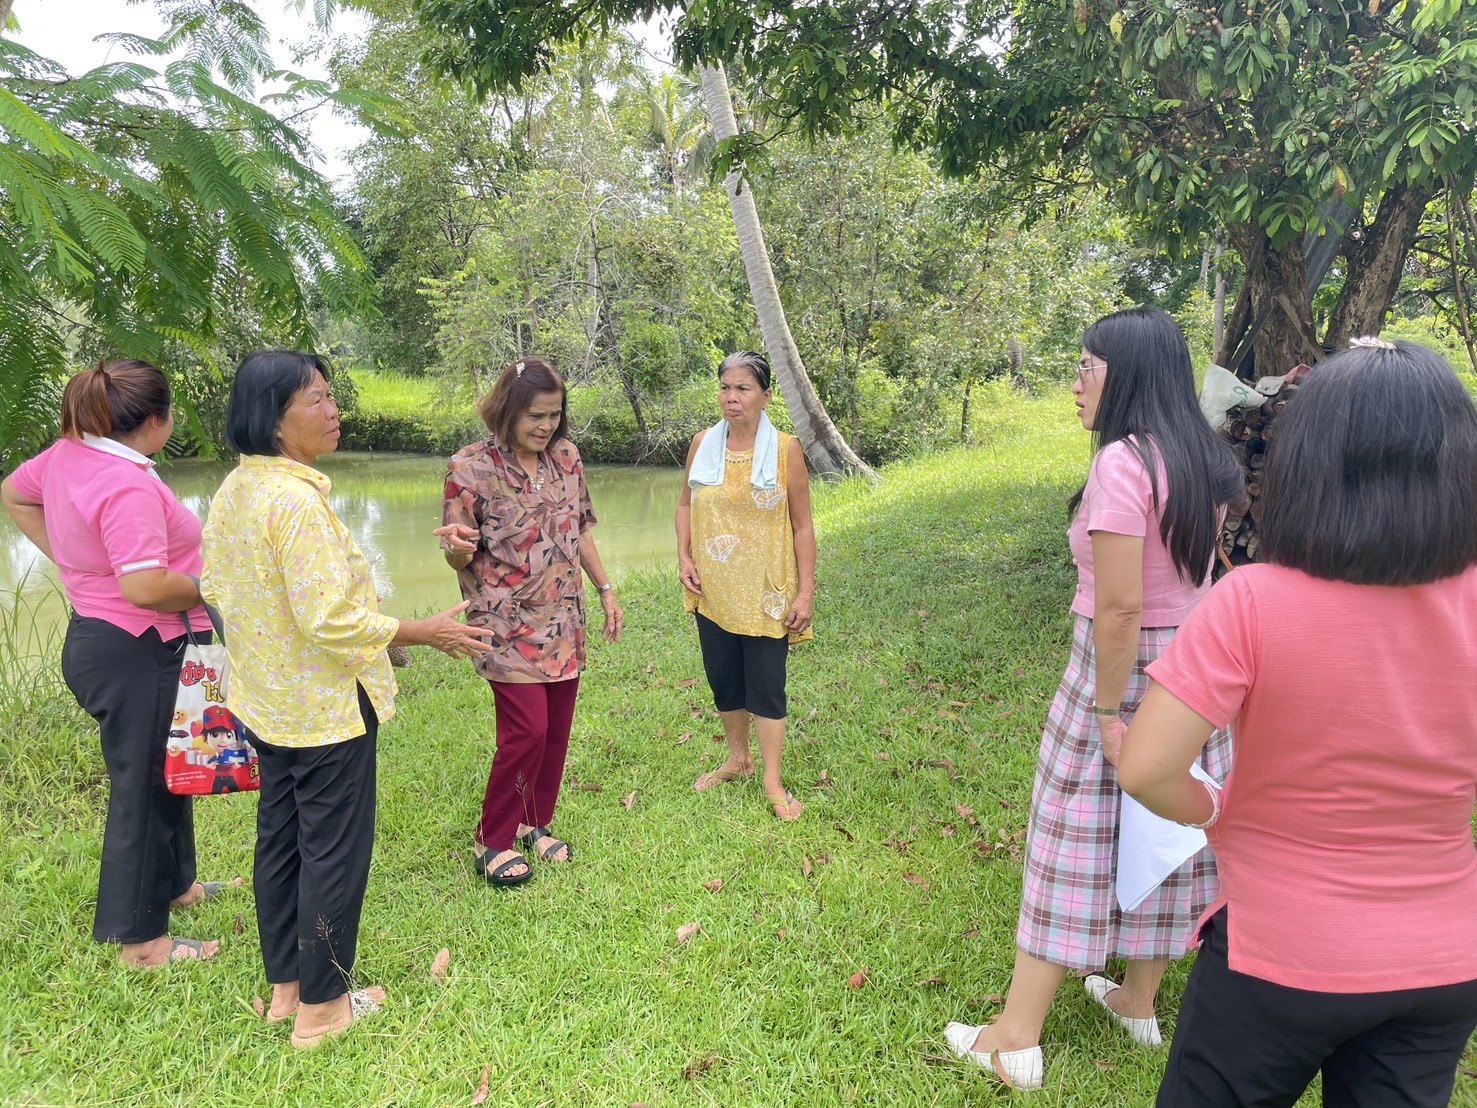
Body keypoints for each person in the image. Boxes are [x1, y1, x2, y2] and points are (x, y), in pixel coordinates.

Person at [1120, 339, 1477, 1108]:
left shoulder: (1251, 602)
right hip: (1444, 957)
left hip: (1278, 957)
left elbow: (1146, 768)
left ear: (1308, 464)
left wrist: (1215, 807)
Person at [943, 308, 1242, 1089]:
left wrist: (1108, 713)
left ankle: (1014, 1036)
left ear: (1127, 374)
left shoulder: (1120, 462)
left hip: (1120, 670)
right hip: (1195, 667)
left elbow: (1117, 608)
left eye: (1087, 367)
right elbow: (1205, 574)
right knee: (1166, 830)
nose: (1076, 384)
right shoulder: (1202, 454)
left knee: (1069, 830)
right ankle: (1136, 1001)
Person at [201, 349, 492, 1048]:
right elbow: (328, 619)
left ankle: (288, 992)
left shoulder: (237, 491)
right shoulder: (294, 503)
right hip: (326, 708)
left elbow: (218, 591)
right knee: (331, 851)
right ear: (274, 418)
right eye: (317, 401)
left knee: (281, 841)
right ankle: (325, 1010)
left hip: (268, 703)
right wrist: (420, 631)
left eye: (333, 398)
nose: (334, 412)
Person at [1, 360, 230, 968]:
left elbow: (13, 495)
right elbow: (147, 587)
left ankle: (177, 888)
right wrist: (226, 588)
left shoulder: (67, 455)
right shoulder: (126, 484)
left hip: (107, 640)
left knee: (170, 770)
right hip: (138, 648)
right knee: (145, 789)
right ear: (155, 422)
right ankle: (140, 941)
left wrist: (78, 566)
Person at [435, 357, 623, 888]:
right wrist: (456, 549)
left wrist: (606, 589)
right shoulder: (469, 467)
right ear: (508, 410)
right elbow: (458, 554)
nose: (545, 427)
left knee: (556, 732)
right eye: (535, 416)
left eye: (554, 416)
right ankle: (492, 839)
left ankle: (534, 823)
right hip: (505, 625)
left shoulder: (566, 457)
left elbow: (580, 528)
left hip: (564, 618)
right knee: (526, 731)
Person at [676, 350, 816, 822]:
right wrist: (683, 556)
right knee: (724, 680)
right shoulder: (702, 444)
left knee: (767, 686)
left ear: (765, 396)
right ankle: (738, 759)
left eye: (743, 389)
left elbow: (802, 525)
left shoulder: (785, 450)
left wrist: (805, 592)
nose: (731, 398)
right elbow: (683, 506)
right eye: (725, 388)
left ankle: (772, 779)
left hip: (767, 591)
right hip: (713, 589)